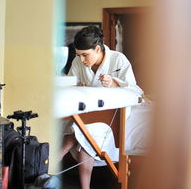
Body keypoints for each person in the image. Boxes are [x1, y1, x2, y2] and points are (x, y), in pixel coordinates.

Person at [59, 26, 143, 189]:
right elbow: (69, 84)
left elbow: (135, 91)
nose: (81, 60)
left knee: (80, 132)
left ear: (97, 49)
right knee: (80, 129)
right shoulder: (78, 62)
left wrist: (115, 83)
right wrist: (78, 85)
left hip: (112, 116)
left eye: (85, 55)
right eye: (78, 55)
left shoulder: (118, 59)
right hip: (85, 113)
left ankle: (47, 169)